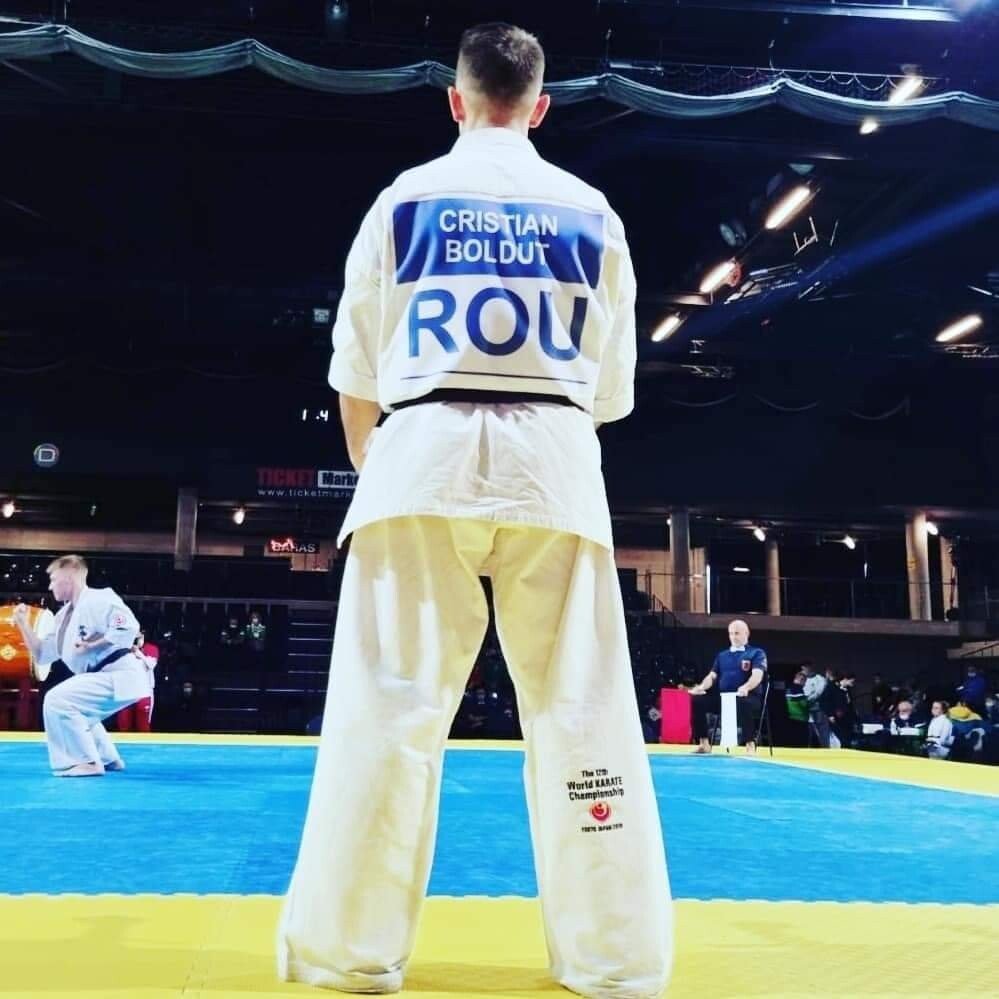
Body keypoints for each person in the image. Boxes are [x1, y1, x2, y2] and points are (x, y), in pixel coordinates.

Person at [277, 22, 671, 999]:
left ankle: (349, 957)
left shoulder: (404, 199)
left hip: (419, 452)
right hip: (555, 465)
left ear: (455, 100)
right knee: (583, 716)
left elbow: (356, 373)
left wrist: (381, 465)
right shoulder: (591, 211)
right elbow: (609, 393)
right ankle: (613, 962)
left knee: (386, 715)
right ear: (541, 106)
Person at [12, 555, 144, 776]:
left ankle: (87, 762)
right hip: (104, 676)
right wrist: (23, 624)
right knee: (78, 708)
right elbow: (42, 654)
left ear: (69, 576)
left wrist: (93, 645)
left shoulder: (99, 599)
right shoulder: (63, 617)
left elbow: (128, 628)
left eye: (54, 579)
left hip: (120, 672)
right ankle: (108, 758)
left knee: (58, 700)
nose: (50, 586)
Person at [689, 619, 767, 755]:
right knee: (697, 701)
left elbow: (757, 675)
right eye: (731, 633)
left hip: (747, 696)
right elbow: (712, 676)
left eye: (737, 633)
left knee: (743, 702)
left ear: (746, 633)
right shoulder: (722, 655)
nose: (733, 637)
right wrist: (702, 687)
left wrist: (746, 687)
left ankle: (750, 744)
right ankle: (704, 743)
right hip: (724, 698)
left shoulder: (756, 653)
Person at [114, 630, 159, 732]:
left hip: (145, 690)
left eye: (139, 635)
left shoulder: (151, 648)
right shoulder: (123, 648)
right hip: (126, 691)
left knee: (143, 725)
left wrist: (139, 653)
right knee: (124, 724)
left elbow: (151, 665)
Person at [802, 663, 830, 748]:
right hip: (806, 711)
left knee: (821, 733)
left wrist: (808, 699)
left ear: (809, 668)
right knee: (808, 733)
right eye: (802, 669)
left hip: (818, 710)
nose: (803, 671)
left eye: (805, 669)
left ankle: (824, 748)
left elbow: (818, 692)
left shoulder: (820, 679)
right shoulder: (802, 679)